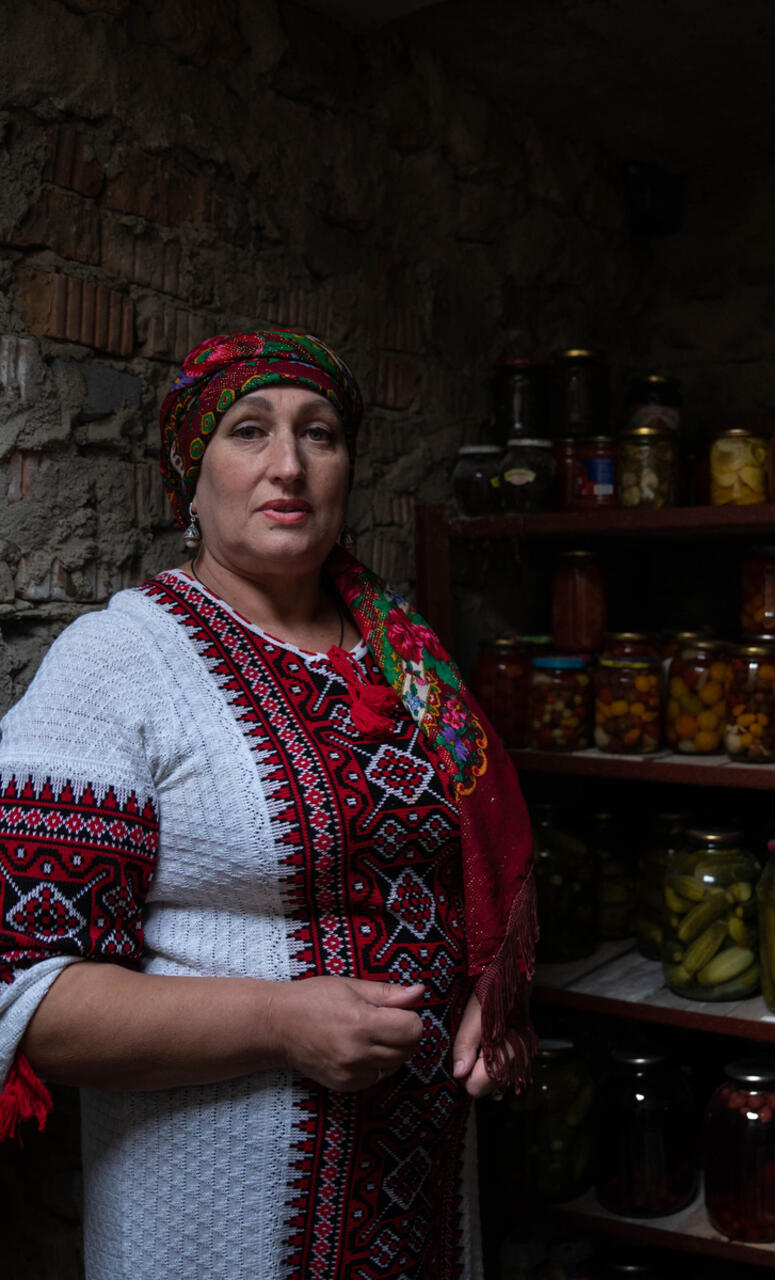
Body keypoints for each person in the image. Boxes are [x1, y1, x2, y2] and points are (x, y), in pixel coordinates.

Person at [0, 330, 537, 1279]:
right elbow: (26, 993)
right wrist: (281, 1022)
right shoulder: (117, 666)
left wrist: (486, 1002)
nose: (288, 464)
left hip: (424, 1203)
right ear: (189, 484)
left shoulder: (407, 662)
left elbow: (477, 878)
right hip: (223, 1222)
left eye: (319, 434)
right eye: (249, 432)